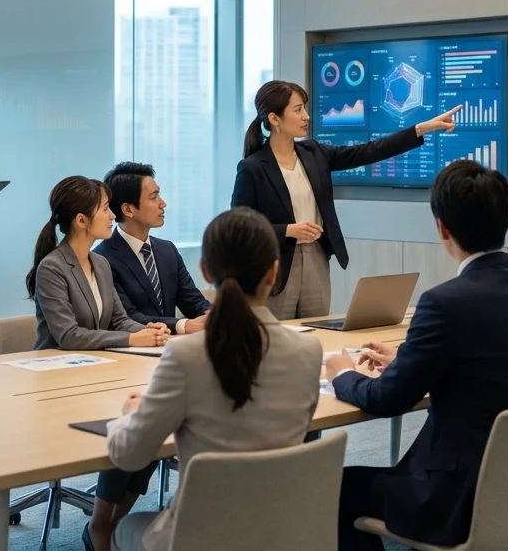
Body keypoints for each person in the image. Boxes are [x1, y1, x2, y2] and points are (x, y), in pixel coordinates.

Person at [323, 160, 508, 551]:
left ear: (442, 227)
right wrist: (408, 359)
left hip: (457, 496)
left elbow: (387, 399)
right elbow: (484, 365)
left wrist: (343, 375)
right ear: (507, 219)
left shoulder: (444, 303)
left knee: (335, 486)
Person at [105, 207, 323, 551]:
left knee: (124, 528)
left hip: (198, 535)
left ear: (205, 271)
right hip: (280, 528)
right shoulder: (309, 350)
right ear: (274, 272)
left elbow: (129, 456)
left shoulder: (185, 356)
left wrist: (130, 415)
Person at [231, 79, 461, 318]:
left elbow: (368, 151)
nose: (306, 116)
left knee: (316, 331)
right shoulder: (252, 167)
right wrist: (288, 230)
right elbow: (239, 226)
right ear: (274, 119)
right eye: (297, 110)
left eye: (305, 109)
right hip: (275, 263)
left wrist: (420, 129)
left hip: (316, 256)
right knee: (276, 334)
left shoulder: (314, 153)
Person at [27, 176, 172, 551]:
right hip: (59, 385)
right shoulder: (52, 268)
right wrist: (133, 339)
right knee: (123, 433)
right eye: (105, 209)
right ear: (81, 220)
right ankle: (101, 528)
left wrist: (149, 331)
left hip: (100, 373)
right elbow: (68, 335)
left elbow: (119, 320)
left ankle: (110, 524)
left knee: (146, 432)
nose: (111, 216)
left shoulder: (101, 264)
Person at [96, 162, 211, 335]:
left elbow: (194, 302)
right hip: (132, 347)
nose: (163, 203)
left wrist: (216, 315)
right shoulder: (102, 258)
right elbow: (127, 317)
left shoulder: (167, 250)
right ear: (128, 209)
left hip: (169, 345)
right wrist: (183, 325)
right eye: (153, 197)